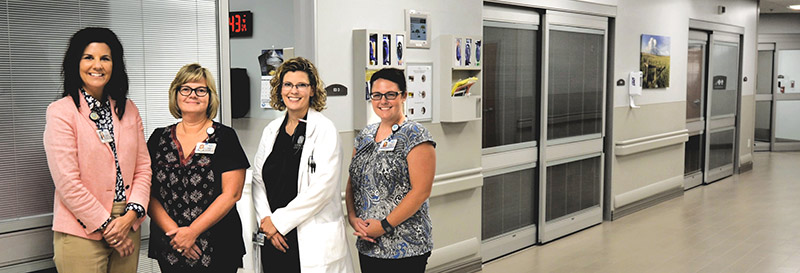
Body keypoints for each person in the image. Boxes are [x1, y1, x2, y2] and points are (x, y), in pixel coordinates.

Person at [44, 27, 151, 273]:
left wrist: (129, 217)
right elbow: (67, 182)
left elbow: (143, 169)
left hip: (127, 222)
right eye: (89, 57)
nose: (97, 65)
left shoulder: (129, 109)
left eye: (105, 58)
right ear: (75, 63)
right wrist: (107, 226)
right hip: (82, 226)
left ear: (115, 65)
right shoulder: (61, 112)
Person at [252, 57, 354, 272]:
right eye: (288, 84)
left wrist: (278, 222)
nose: (294, 91)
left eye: (301, 85)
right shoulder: (271, 130)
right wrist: (267, 223)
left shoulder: (325, 130)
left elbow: (322, 189)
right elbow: (258, 181)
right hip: (273, 237)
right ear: (280, 89)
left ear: (313, 90)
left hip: (309, 237)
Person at [146, 63, 249, 273]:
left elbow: (232, 194)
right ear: (175, 94)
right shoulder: (159, 138)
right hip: (170, 243)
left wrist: (192, 232)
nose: (193, 95)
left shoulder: (225, 137)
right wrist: (176, 234)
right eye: (185, 89)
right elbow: (146, 191)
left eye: (201, 90)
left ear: (210, 96)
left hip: (218, 243)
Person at [346, 68, 436, 272]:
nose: (383, 101)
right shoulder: (365, 135)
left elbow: (421, 191)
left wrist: (384, 226)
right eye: (376, 95)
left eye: (390, 94)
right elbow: (353, 180)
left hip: (406, 246)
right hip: (369, 244)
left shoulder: (415, 135)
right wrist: (352, 218)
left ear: (403, 96)